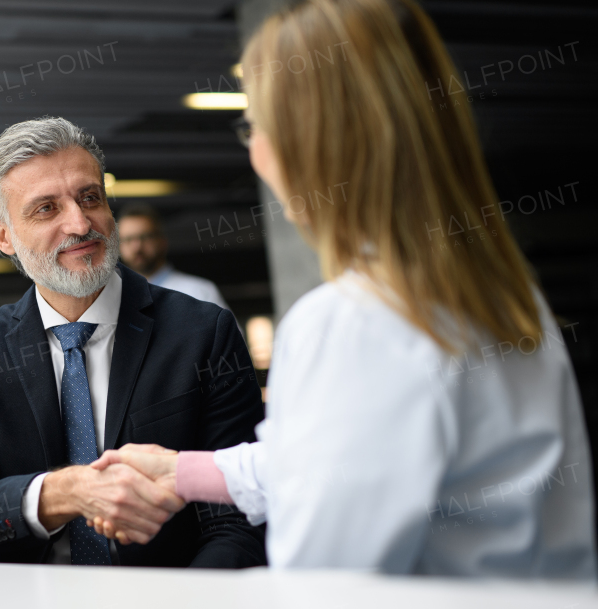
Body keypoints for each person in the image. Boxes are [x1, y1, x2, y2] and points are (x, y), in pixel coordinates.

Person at [89, 0, 596, 579]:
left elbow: (322, 581)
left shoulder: (353, 323)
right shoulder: (501, 292)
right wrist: (180, 472)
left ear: (310, 143)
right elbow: (332, 461)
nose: (251, 148)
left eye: (254, 124)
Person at [0, 117, 267, 567]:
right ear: (3, 236)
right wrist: (66, 492)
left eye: (90, 197)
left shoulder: (202, 332)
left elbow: (237, 517)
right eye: (46, 209)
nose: (80, 223)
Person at [117, 204, 230, 310]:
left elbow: (229, 331)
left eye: (145, 237)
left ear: (162, 241)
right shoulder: (114, 297)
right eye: (128, 239)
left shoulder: (199, 292)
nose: (137, 247)